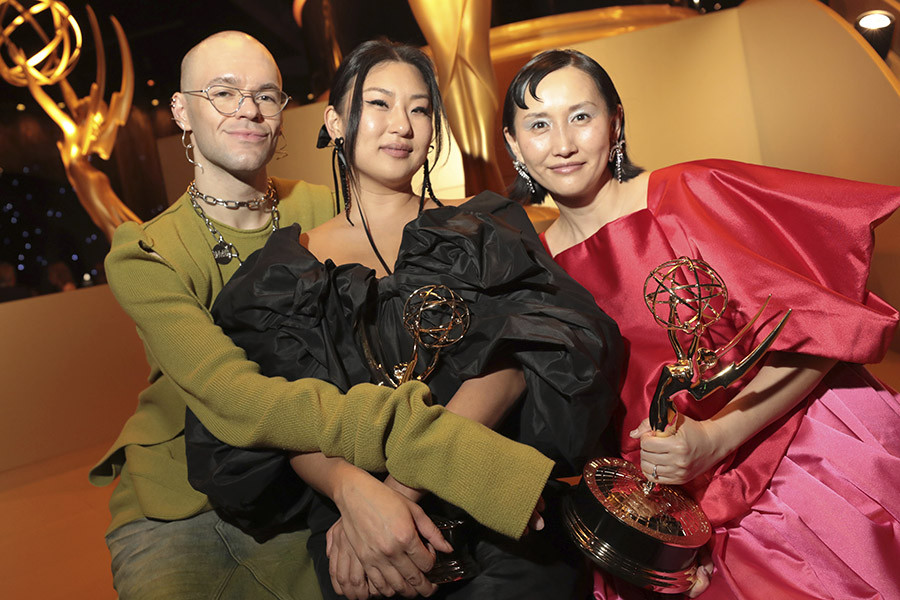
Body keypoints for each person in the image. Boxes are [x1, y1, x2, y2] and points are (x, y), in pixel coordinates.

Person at [88, 31, 556, 600]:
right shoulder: (146, 251)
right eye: (223, 92)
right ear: (181, 110)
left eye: (266, 94)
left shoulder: (327, 207)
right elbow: (239, 397)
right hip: (189, 490)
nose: (248, 110)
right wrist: (425, 451)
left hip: (309, 472)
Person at [185, 39, 622, 600]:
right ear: (336, 121)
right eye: (380, 104)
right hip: (359, 536)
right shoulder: (279, 276)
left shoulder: (486, 230)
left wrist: (398, 492)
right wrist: (352, 495)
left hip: (492, 512)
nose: (402, 126)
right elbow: (277, 415)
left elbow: (527, 352)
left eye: (419, 109)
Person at [502, 49, 900, 600]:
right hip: (669, 513)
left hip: (800, 464)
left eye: (581, 116)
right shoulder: (534, 274)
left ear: (616, 123)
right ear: (514, 145)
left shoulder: (692, 194)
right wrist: (666, 539)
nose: (563, 143)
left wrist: (716, 437)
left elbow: (822, 329)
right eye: (539, 125)